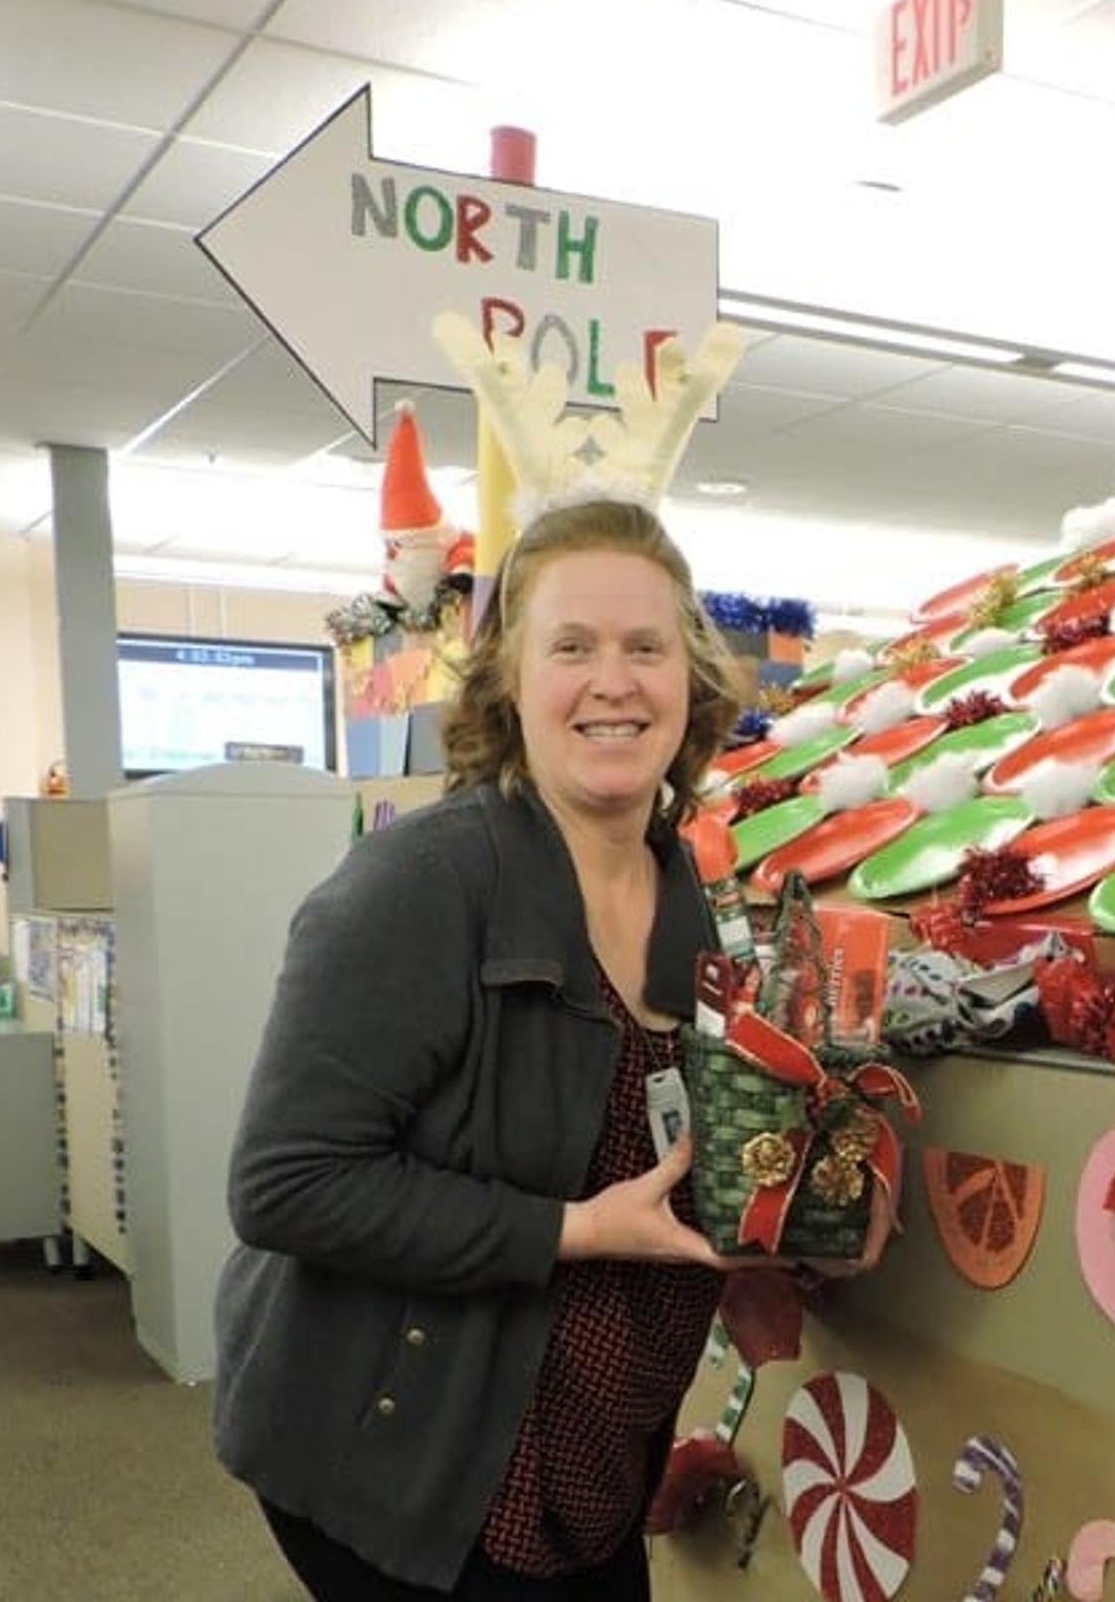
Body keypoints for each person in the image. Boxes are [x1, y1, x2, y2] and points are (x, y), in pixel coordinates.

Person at [213, 499, 890, 1600]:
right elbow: (286, 1184)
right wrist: (572, 1230)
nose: (612, 682)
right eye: (571, 647)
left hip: (594, 1446)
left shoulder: (684, 890)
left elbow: (640, 1132)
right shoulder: (419, 887)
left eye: (645, 648)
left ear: (690, 680)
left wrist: (773, 1226)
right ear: (510, 682)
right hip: (413, 1459)